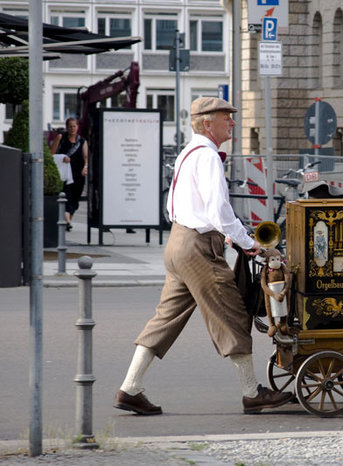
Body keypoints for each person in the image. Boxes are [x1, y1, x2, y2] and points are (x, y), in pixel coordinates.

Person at [114, 97, 292, 415]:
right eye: (228, 118)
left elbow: (177, 206)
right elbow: (220, 211)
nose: (233, 123)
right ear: (208, 123)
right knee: (234, 315)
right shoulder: (209, 157)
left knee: (164, 319)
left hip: (179, 243)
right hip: (198, 249)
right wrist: (249, 242)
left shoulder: (188, 153)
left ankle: (130, 388)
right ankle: (252, 393)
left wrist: (217, 231)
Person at [50, 117, 88, 231]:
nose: (72, 128)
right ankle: (67, 221)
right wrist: (62, 158)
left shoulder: (82, 141)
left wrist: (85, 167)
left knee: (75, 198)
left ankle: (68, 221)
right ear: (67, 127)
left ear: (78, 127)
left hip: (78, 174)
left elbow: (86, 157)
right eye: (70, 126)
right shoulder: (61, 137)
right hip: (65, 173)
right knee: (66, 196)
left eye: (74, 126)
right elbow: (51, 153)